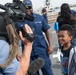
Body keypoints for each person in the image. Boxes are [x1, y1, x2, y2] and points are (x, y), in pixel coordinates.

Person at [16, 0, 54, 75]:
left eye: (29, 7)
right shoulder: (18, 21)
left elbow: (47, 30)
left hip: (42, 50)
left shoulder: (39, 18)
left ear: (32, 7)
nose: (27, 9)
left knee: (48, 72)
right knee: (32, 73)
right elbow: (15, 38)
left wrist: (51, 45)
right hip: (28, 53)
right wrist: (17, 52)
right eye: (25, 8)